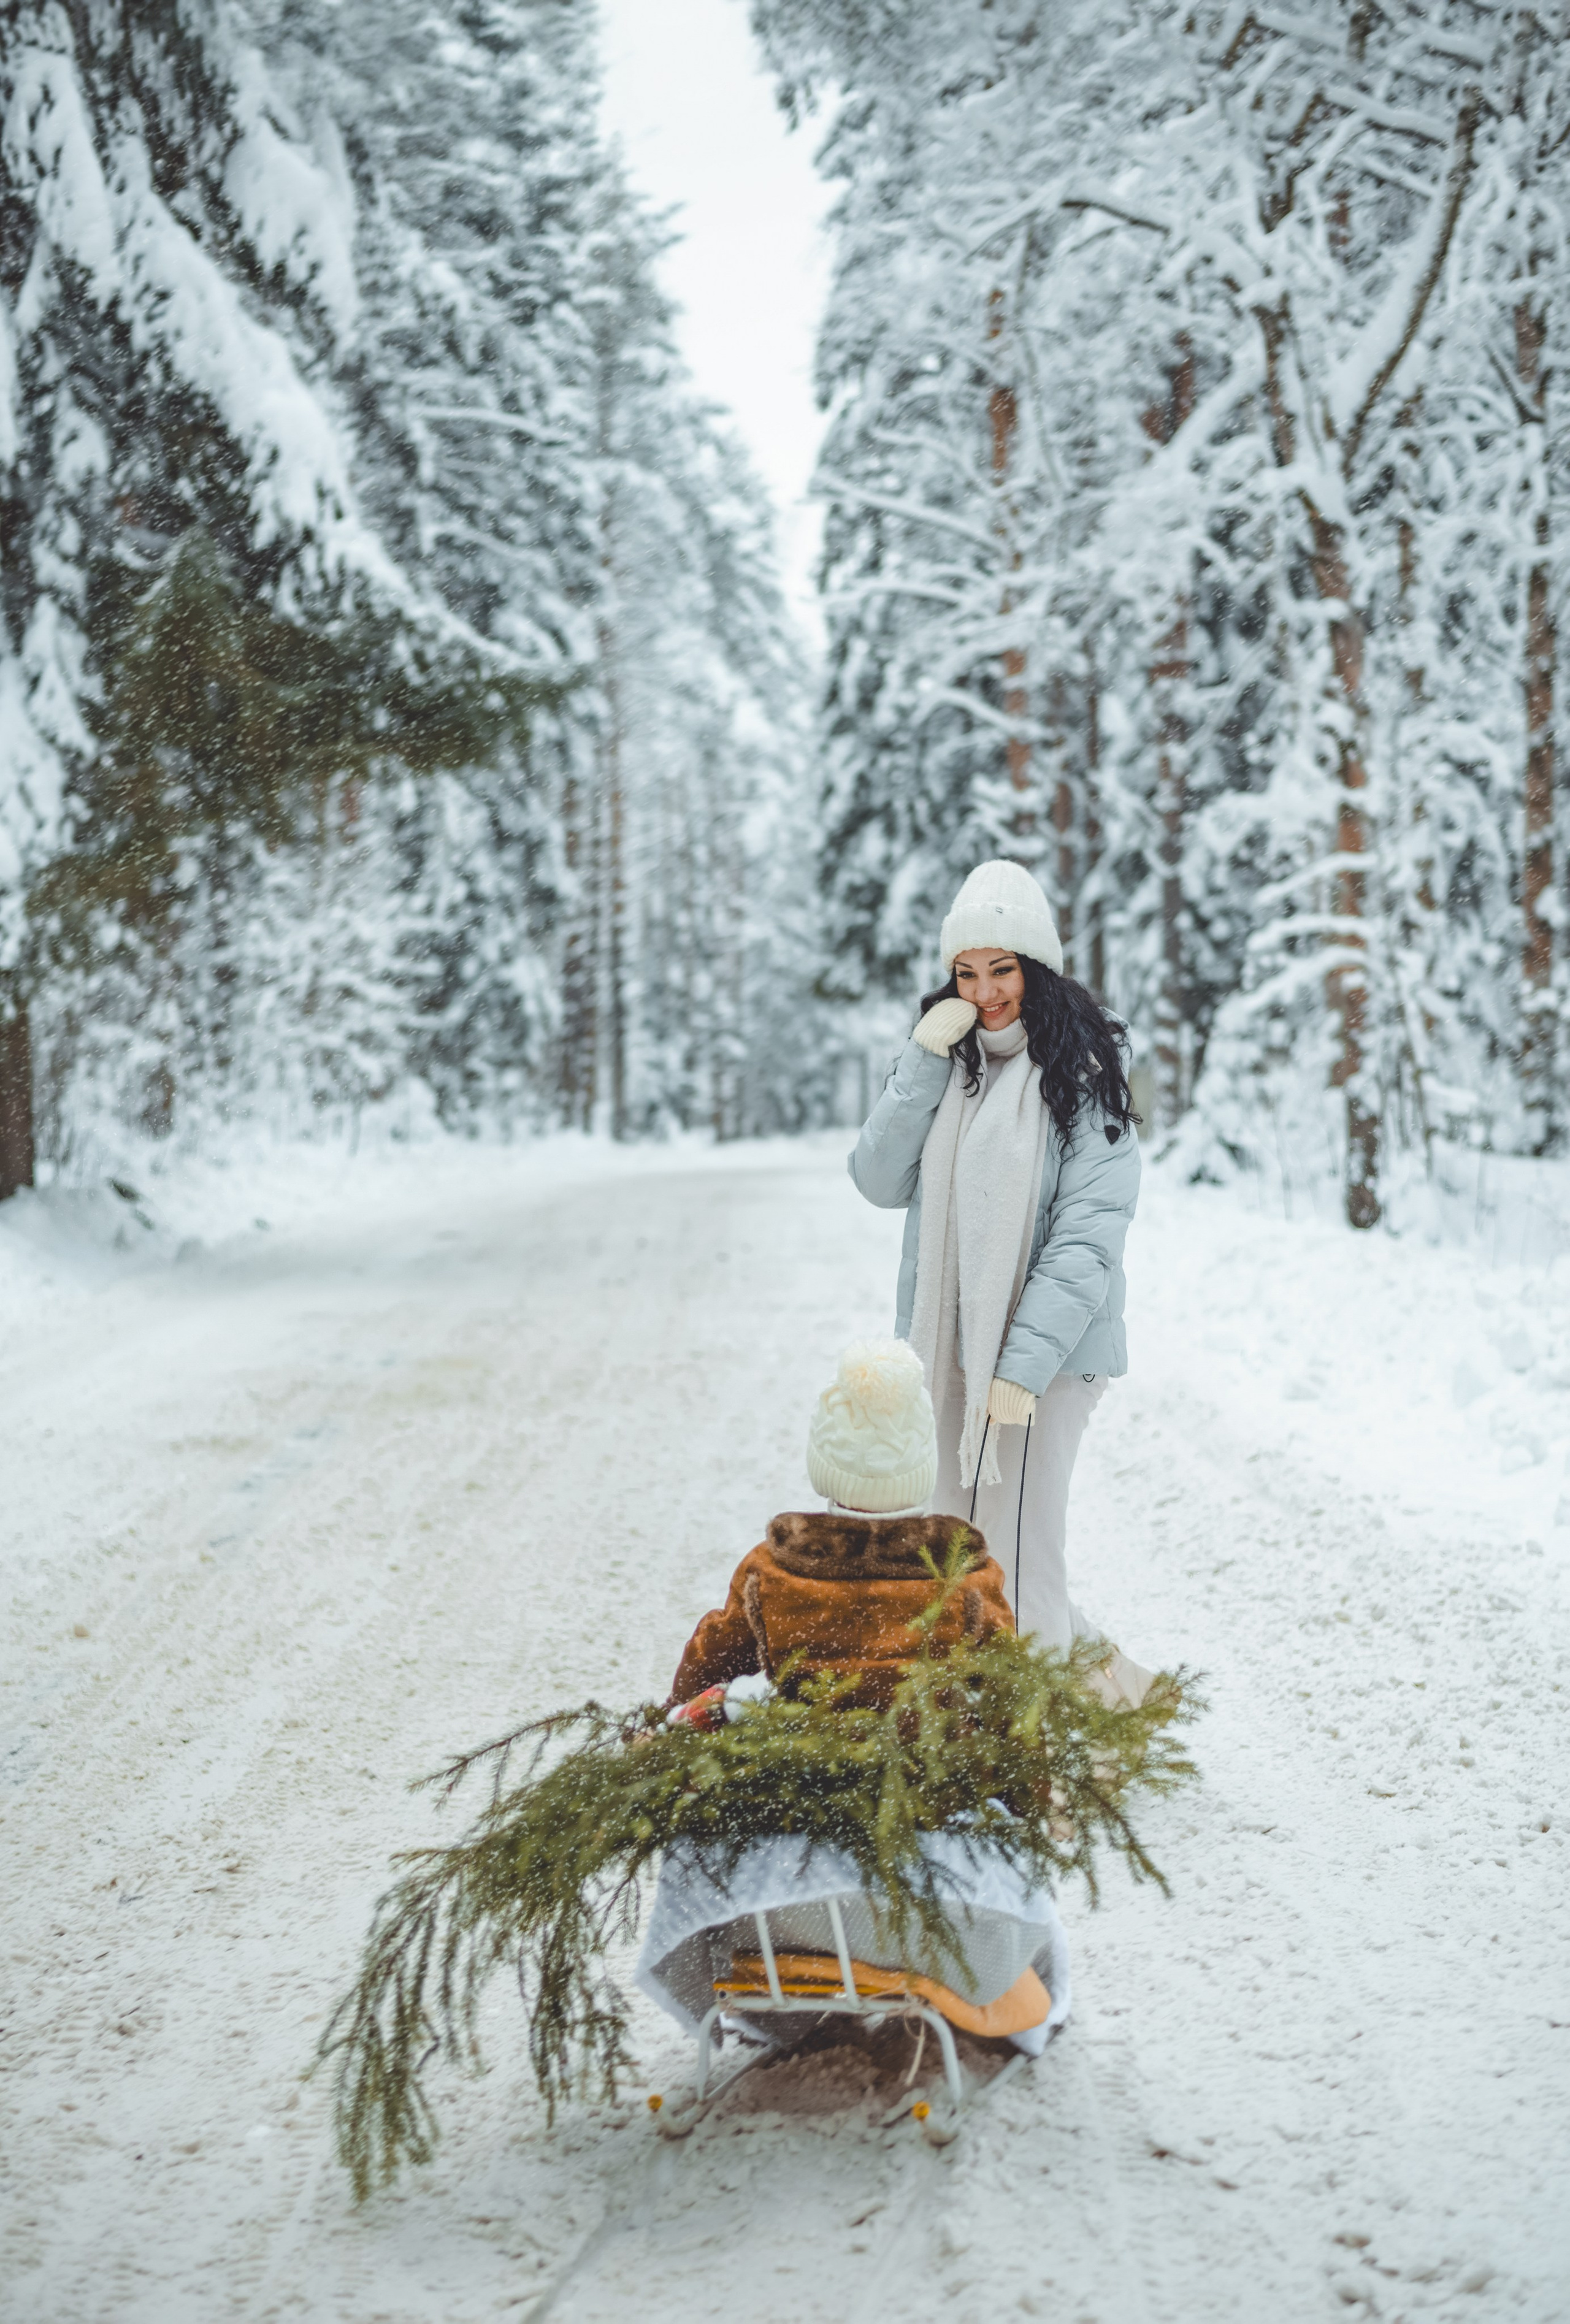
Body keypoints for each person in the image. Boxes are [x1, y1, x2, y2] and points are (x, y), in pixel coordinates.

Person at [849, 859, 1150, 1699]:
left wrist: (1020, 1368)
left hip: (1047, 1365)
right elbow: (877, 1177)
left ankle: (1042, 1750)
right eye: (965, 971)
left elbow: (1087, 1240)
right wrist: (919, 1059)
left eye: (1003, 969)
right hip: (950, 1349)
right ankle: (1121, 1695)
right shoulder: (949, 1067)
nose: (984, 992)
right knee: (951, 1550)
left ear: (1038, 970)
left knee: (1018, 1556)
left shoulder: (1083, 1081)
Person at [669, 1337, 1013, 1710]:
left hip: (806, 1757)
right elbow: (1011, 1689)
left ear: (825, 1467)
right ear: (923, 1468)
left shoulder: (771, 1573)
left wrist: (669, 1719)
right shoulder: (967, 1579)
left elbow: (712, 1661)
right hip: (924, 1758)